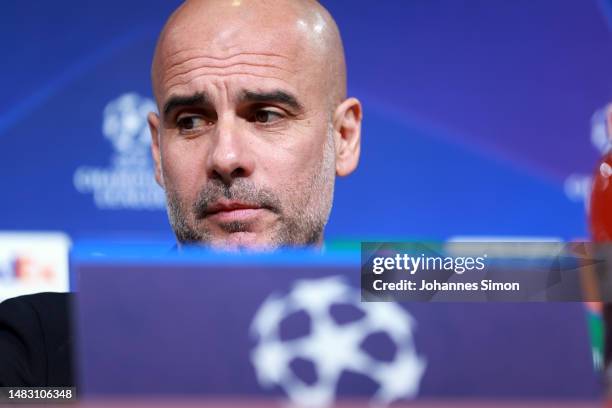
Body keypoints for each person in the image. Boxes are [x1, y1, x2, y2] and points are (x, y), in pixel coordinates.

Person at [0, 0, 362, 387]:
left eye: (266, 114)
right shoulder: (40, 348)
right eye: (190, 121)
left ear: (343, 138)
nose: (225, 157)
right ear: (157, 152)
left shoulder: (419, 311)